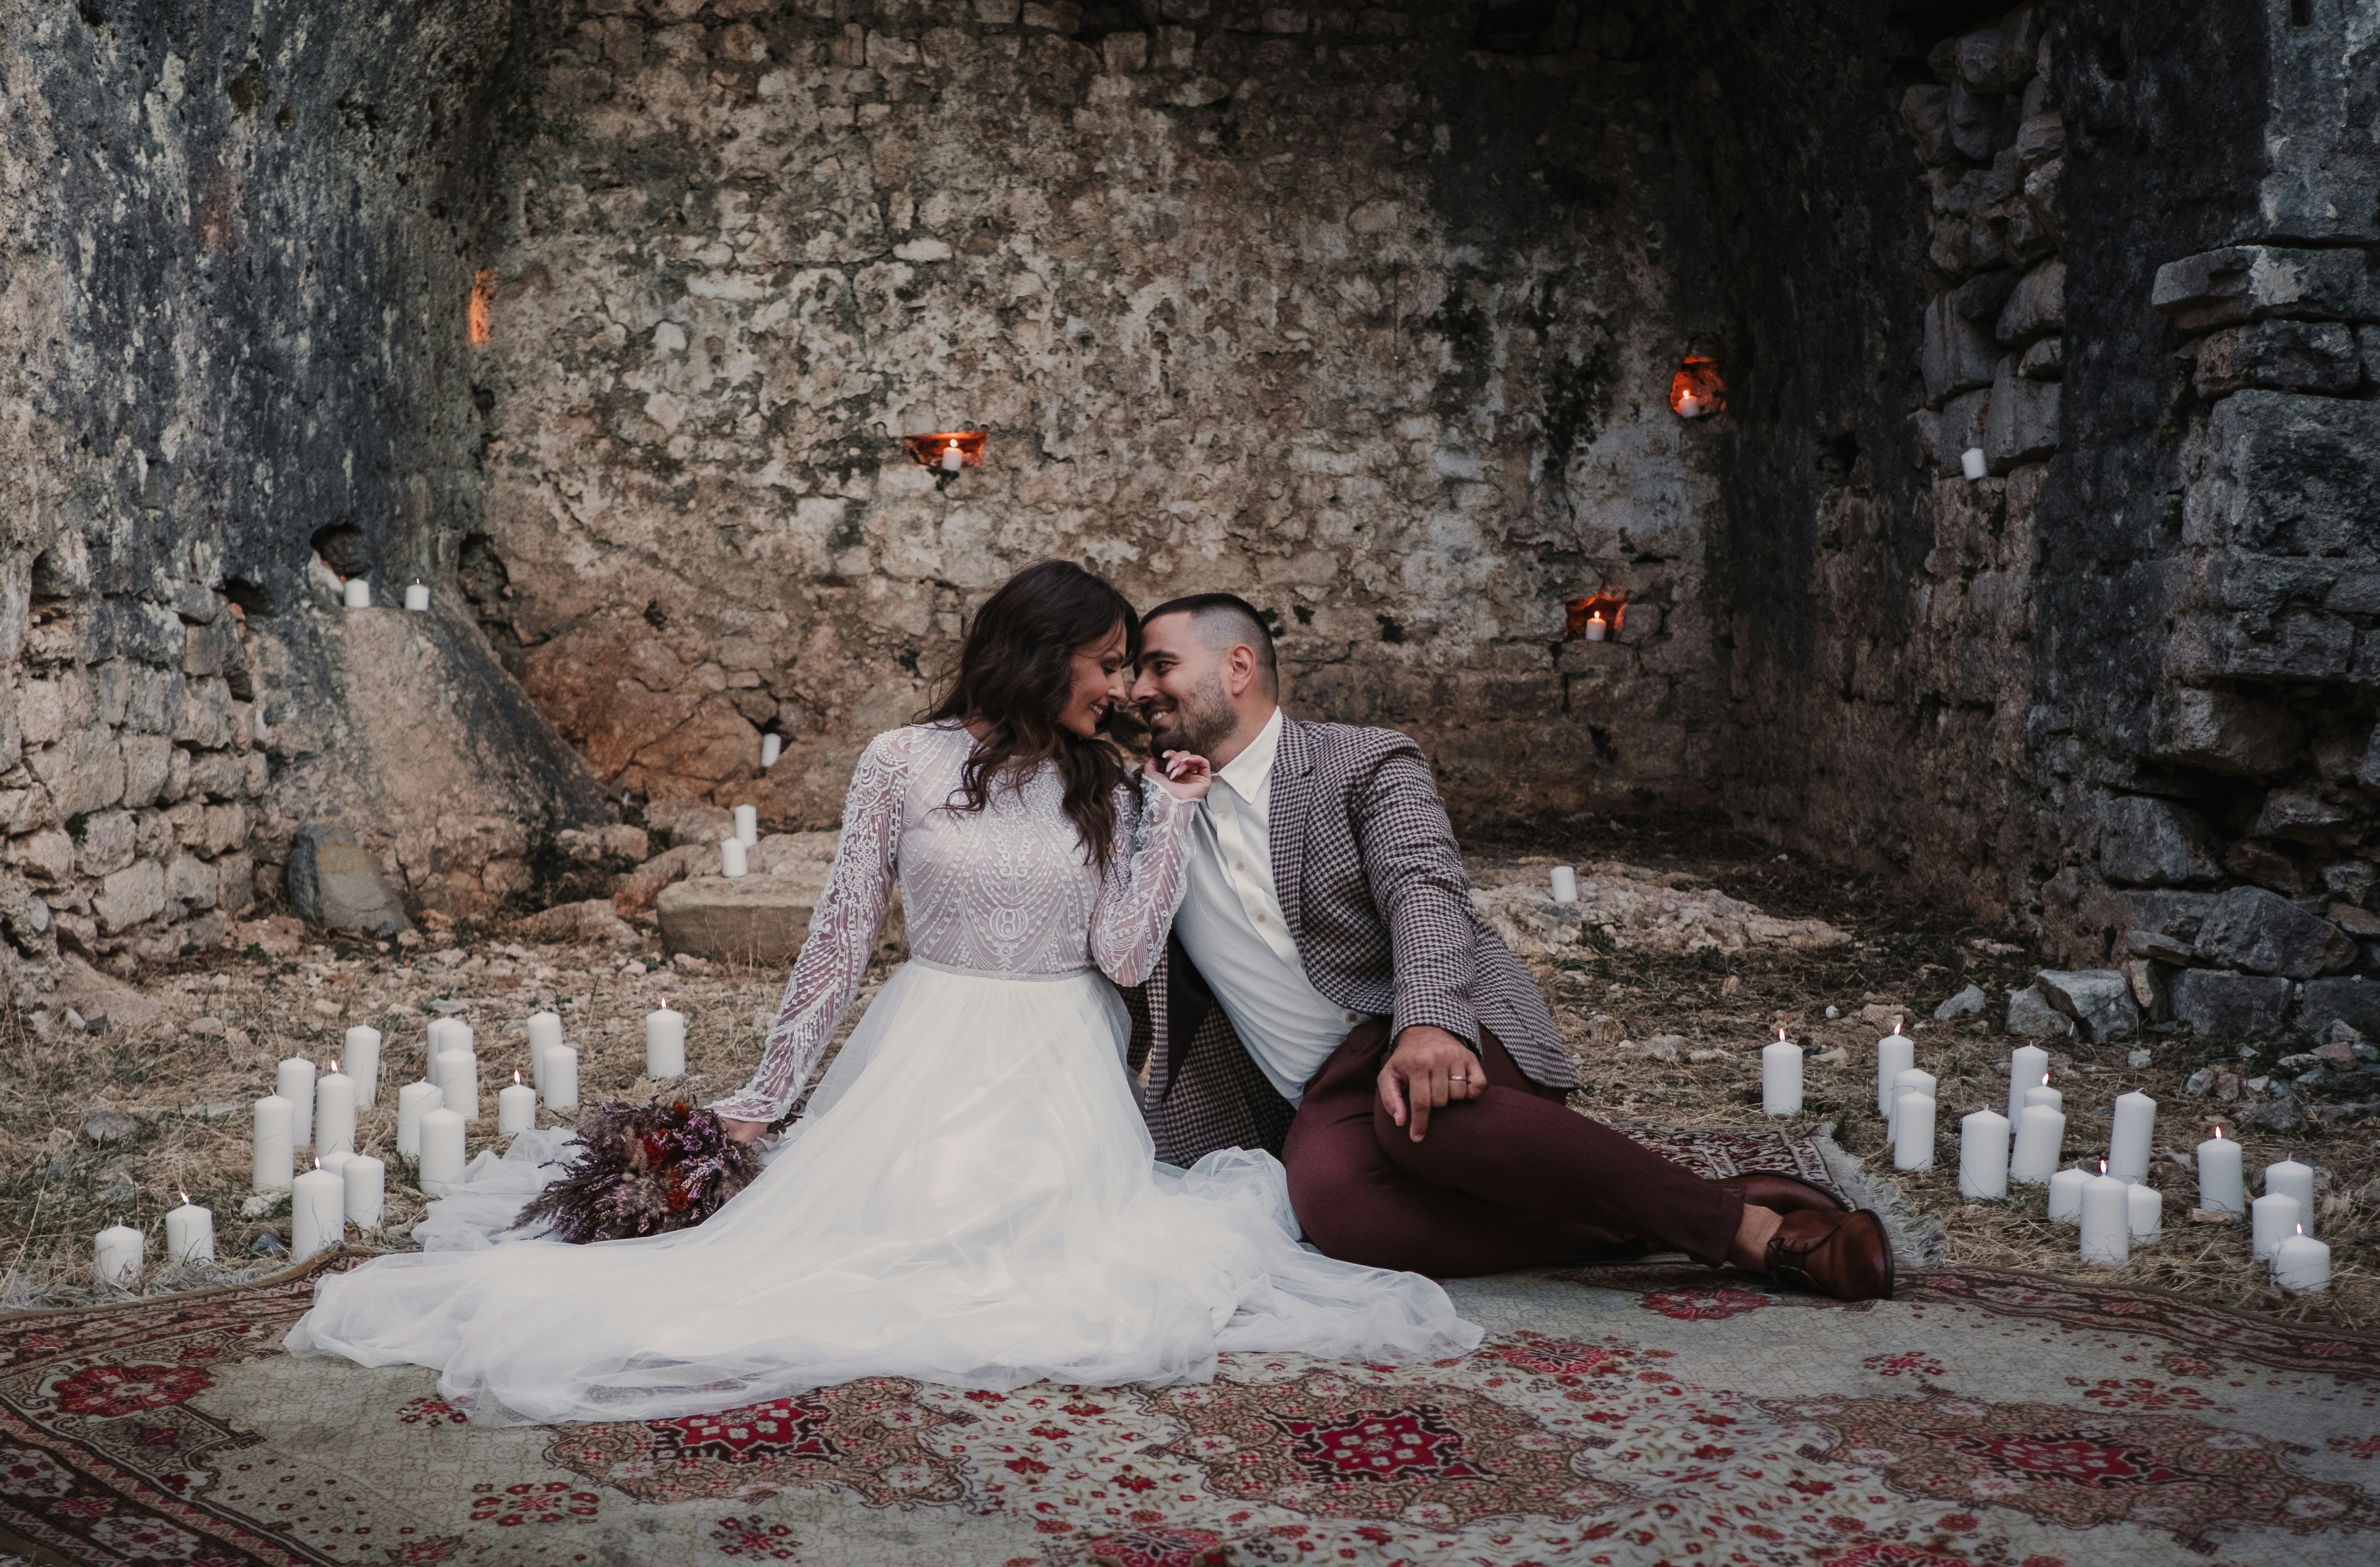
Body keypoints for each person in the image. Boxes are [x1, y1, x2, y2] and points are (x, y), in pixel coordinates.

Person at [284, 562, 1478, 1424]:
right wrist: (764, 1094)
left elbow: (1122, 958)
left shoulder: (1116, 786)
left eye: (1129, 669)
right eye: (1108, 663)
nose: (1121, 690)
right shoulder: (902, 763)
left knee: (1037, 1265)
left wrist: (1165, 820)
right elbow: (841, 937)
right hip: (930, 1033)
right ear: (1040, 650)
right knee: (867, 1247)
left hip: (1058, 1051)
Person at [1126, 594, 1894, 1302]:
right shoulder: (1147, 813)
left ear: (1238, 667)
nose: (1137, 690)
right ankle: (1681, 1206)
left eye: (1160, 666)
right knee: (1332, 1209)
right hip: (1325, 1094)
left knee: (1421, 1118)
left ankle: (1755, 1237)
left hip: (1440, 1021)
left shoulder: (1361, 762)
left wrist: (1428, 1022)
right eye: (1129, 675)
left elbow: (1423, 888)